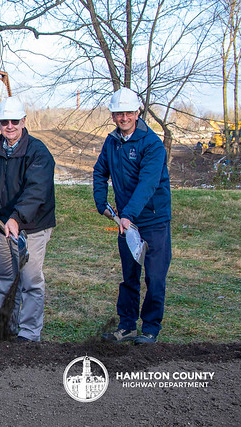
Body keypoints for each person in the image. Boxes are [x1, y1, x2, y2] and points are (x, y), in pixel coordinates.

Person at [93, 87, 172, 345]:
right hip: (128, 224)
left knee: (155, 277)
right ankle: (127, 326)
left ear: (137, 112)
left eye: (128, 112)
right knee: (129, 277)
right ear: (113, 116)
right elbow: (99, 172)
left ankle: (150, 329)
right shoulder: (112, 142)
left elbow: (147, 185)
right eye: (118, 113)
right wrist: (100, 202)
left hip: (153, 221)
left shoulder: (152, 144)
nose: (124, 117)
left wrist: (126, 214)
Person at [0, 96, 56, 343]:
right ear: (0, 123)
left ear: (24, 121)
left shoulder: (38, 152)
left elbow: (37, 190)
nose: (10, 126)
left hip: (32, 227)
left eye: (15, 121)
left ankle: (29, 332)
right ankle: (8, 326)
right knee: (5, 278)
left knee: (31, 280)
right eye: (4, 122)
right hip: (4, 226)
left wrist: (17, 217)